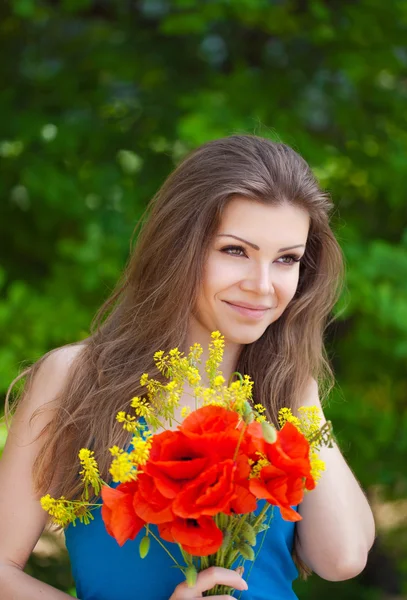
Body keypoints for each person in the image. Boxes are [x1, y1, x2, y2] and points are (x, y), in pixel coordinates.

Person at [0, 135, 375, 599]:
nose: (263, 286)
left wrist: (299, 390)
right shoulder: (76, 377)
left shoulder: (285, 393)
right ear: (180, 247)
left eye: (286, 259)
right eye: (235, 251)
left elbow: (342, 559)